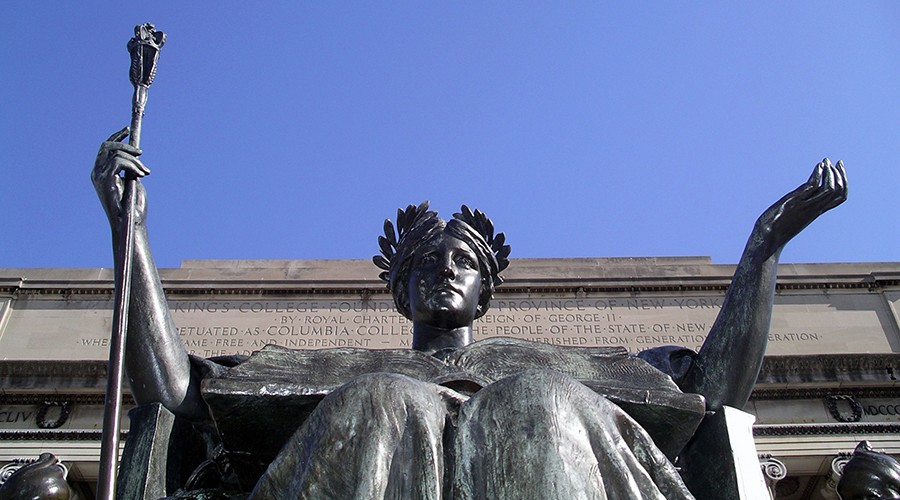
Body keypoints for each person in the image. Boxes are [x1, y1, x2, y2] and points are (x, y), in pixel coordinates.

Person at [93, 127, 847, 498]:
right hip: (375, 408)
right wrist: (131, 233)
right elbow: (174, 393)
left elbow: (712, 391)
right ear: (401, 291)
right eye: (426, 264)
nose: (445, 273)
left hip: (544, 420)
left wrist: (764, 246)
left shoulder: (568, 366)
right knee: (386, 401)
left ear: (487, 290)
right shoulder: (338, 370)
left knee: (530, 401)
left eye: (463, 263)